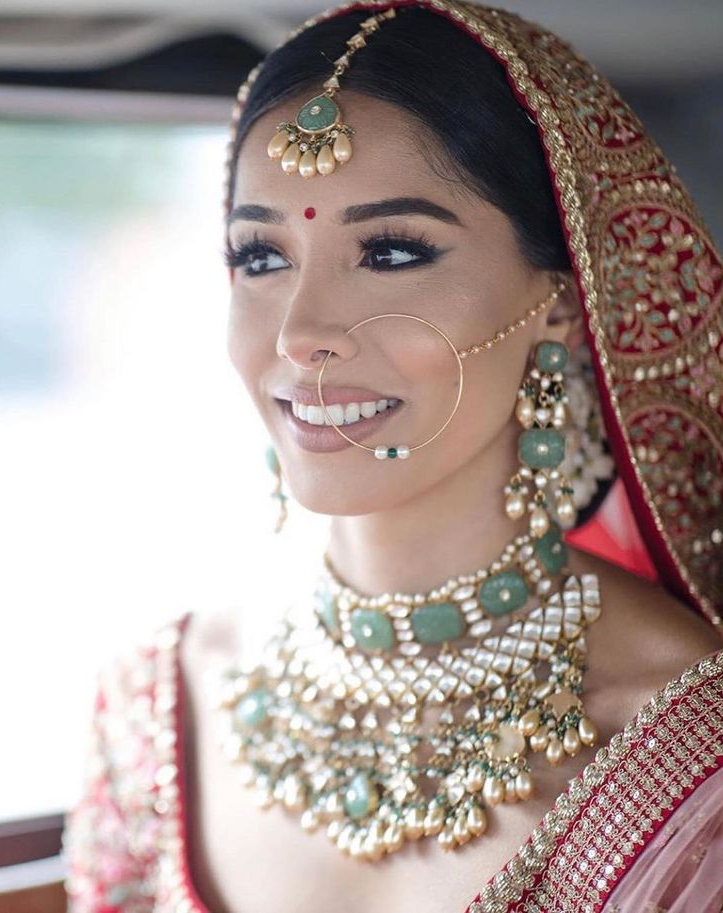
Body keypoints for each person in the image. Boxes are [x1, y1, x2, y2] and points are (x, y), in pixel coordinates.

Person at [61, 2, 723, 912]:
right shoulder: (160, 701)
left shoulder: (686, 765)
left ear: (564, 301)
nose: (301, 335)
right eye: (260, 257)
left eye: (392, 250)